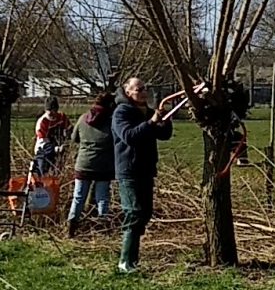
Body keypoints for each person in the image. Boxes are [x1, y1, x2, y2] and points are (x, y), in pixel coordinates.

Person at [110, 76, 188, 274]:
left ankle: (132, 259)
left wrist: (165, 119)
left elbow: (163, 135)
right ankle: (125, 262)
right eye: (138, 89)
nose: (144, 92)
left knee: (144, 214)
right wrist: (152, 122)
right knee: (133, 212)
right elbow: (129, 137)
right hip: (129, 171)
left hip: (146, 170)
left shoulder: (148, 112)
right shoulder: (121, 112)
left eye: (145, 88)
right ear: (128, 93)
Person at [65, 89, 116, 233]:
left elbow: (74, 138)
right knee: (103, 198)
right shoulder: (111, 122)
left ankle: (72, 226)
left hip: (83, 164)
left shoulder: (83, 118)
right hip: (103, 166)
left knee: (78, 197)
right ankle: (102, 227)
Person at [32, 93, 72, 175]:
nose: (52, 113)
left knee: (57, 173)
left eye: (54, 110)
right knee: (44, 173)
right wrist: (56, 148)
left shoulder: (61, 117)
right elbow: (43, 143)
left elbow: (69, 129)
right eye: (49, 110)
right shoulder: (42, 122)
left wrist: (67, 140)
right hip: (43, 152)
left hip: (59, 150)